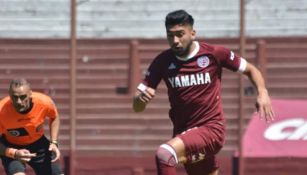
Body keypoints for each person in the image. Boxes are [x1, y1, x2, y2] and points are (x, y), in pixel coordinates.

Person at [132, 9, 275, 175]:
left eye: (180, 34)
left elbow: (251, 69)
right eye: (170, 35)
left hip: (211, 129)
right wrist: (141, 100)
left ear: (192, 33)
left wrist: (263, 92)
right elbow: (137, 107)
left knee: (165, 154)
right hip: (184, 134)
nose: (175, 41)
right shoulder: (162, 62)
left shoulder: (214, 54)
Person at [0, 78, 62, 175]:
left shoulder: (44, 102)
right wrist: (13, 153)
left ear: (30, 94)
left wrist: (54, 142)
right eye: (15, 97)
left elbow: (54, 117)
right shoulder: (1, 110)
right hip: (11, 145)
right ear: (10, 95)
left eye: (23, 97)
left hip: (38, 144)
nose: (19, 102)